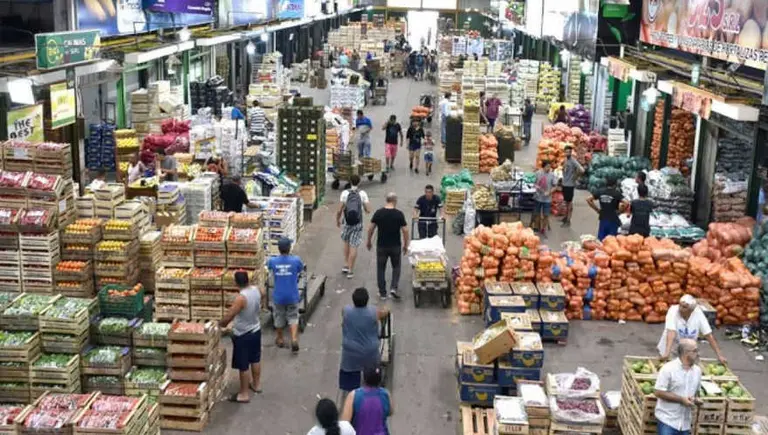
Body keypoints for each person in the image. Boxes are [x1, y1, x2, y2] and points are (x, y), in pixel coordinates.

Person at [220, 271, 264, 403]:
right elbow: (264, 294)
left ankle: (244, 394)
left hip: (243, 334)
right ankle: (256, 385)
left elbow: (230, 315)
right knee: (255, 359)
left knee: (243, 364)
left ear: (236, 283)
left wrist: (221, 324)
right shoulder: (257, 290)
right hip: (256, 329)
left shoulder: (241, 298)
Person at [339, 288, 389, 393]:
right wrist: (387, 309)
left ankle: (352, 394)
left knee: (351, 386)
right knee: (372, 373)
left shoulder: (347, 311)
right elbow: (384, 313)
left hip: (350, 353)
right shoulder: (373, 312)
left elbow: (343, 312)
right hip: (370, 352)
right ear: (367, 300)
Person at [658, 295, 726, 364]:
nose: (680, 308)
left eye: (684, 307)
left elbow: (708, 335)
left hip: (687, 350)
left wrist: (719, 355)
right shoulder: (673, 310)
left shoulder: (698, 314)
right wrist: (667, 352)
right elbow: (671, 332)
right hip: (671, 348)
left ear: (691, 310)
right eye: (680, 305)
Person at [654, 338, 702, 435]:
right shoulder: (668, 369)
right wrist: (681, 399)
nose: (698, 353)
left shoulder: (697, 371)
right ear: (686, 353)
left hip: (685, 423)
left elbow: (696, 393)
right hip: (667, 421)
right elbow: (658, 392)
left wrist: (696, 400)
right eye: (695, 351)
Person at [367, 193, 409, 299]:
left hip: (382, 246)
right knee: (396, 267)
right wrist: (405, 244)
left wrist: (369, 241)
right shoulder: (399, 214)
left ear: (387, 200)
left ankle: (382, 293)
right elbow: (405, 230)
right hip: (395, 246)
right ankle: (393, 288)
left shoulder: (379, 213)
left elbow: (371, 228)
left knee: (381, 268)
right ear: (395, 201)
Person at [266, 238, 304, 353]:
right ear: (289, 248)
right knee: (293, 316)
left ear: (279, 249)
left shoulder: (273, 261)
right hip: (292, 295)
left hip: (279, 295)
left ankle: (280, 338)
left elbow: (268, 267)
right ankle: (293, 338)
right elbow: (300, 269)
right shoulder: (296, 260)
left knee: (278, 316)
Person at [337, 175, 371, 279]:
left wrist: (337, 220)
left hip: (347, 222)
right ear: (359, 182)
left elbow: (339, 210)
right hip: (358, 223)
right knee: (354, 246)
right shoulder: (362, 194)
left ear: (350, 182)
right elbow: (368, 210)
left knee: (346, 242)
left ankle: (346, 264)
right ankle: (351, 270)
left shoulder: (345, 193)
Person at [341, 366, 393, 435]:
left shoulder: (353, 395)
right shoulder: (386, 394)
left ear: (363, 378)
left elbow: (344, 424)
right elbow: (390, 412)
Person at [561, 146, 584, 227]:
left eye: (569, 152)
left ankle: (568, 220)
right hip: (564, 184)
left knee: (569, 203)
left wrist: (575, 177)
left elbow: (582, 170)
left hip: (570, 185)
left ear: (571, 153)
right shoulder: (565, 160)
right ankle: (565, 217)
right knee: (566, 202)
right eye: (566, 152)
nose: (568, 153)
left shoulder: (573, 161)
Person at [533, 160, 556, 238]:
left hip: (547, 199)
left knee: (546, 214)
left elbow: (555, 186)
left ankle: (543, 228)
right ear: (543, 167)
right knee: (537, 213)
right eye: (547, 167)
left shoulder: (552, 175)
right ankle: (536, 227)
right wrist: (536, 186)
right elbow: (534, 183)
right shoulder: (538, 173)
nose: (549, 168)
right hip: (538, 197)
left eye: (549, 167)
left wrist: (549, 192)